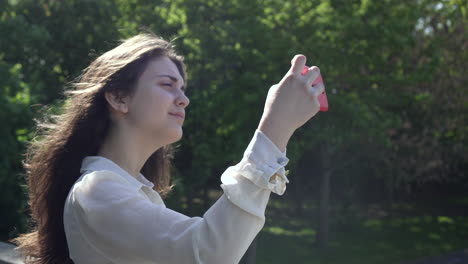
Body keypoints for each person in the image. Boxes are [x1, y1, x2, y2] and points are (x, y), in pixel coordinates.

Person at [12, 32, 324, 264]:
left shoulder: (126, 191)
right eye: (167, 85)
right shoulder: (97, 190)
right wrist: (274, 130)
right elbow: (209, 252)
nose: (183, 99)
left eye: (183, 88)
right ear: (119, 97)